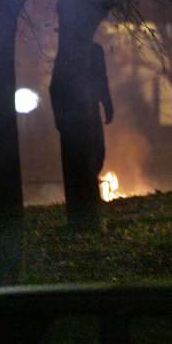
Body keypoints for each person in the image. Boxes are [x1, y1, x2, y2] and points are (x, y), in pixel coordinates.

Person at [49, 41, 114, 232]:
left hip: (90, 109)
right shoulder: (67, 54)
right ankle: (83, 205)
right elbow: (56, 88)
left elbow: (101, 79)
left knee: (97, 154)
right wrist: (60, 118)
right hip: (73, 114)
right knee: (80, 158)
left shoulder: (94, 50)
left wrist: (107, 103)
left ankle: (87, 199)